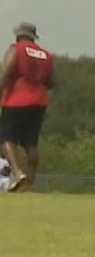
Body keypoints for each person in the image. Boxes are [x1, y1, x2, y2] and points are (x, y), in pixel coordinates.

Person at [0, 22, 54, 193]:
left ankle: (17, 173)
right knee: (31, 142)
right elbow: (53, 81)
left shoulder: (16, 49)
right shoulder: (46, 55)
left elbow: (7, 73)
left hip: (16, 99)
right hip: (39, 102)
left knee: (7, 139)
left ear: (18, 35)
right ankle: (30, 182)